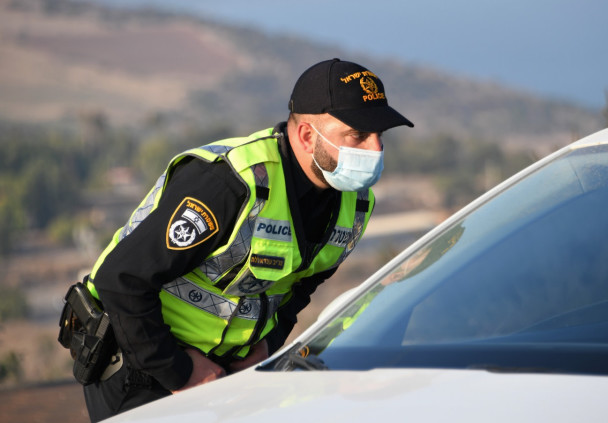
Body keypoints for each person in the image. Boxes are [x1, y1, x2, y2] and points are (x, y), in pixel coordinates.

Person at [76, 58, 413, 421]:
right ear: (307, 136)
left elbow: (299, 287)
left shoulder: (356, 204)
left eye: (380, 135)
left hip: (224, 376)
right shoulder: (231, 183)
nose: (376, 149)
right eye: (358, 135)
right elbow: (122, 279)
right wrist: (180, 371)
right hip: (142, 364)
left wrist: (267, 344)